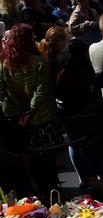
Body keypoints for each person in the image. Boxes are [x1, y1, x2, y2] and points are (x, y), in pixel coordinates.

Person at [0, 24, 61, 198]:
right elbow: (42, 91)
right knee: (48, 160)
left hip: (22, 122)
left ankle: (39, 194)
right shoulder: (38, 61)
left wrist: (17, 114)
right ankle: (53, 194)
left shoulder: (5, 64)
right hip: (42, 119)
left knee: (32, 160)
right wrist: (30, 112)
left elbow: (4, 94)